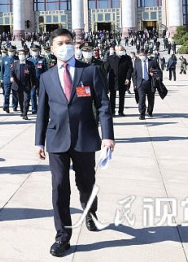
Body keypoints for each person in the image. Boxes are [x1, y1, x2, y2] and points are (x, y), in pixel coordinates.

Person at [35, 28, 114, 257]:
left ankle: (90, 210)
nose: (64, 46)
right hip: (57, 138)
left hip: (85, 136)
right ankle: (62, 236)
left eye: (68, 42)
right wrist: (38, 142)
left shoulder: (90, 71)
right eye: (59, 43)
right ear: (51, 48)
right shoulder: (46, 77)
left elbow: (103, 105)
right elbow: (42, 112)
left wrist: (108, 135)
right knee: (59, 186)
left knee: (86, 182)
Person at [132, 49, 162, 120]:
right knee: (141, 99)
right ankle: (142, 114)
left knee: (151, 99)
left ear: (146, 55)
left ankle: (150, 112)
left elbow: (159, 71)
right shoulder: (137, 62)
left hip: (150, 83)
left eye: (142, 55)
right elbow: (134, 74)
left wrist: (154, 74)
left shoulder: (152, 62)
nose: (141, 57)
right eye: (140, 55)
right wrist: (134, 84)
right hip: (141, 83)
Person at [104, 45, 133, 116]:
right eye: (120, 50)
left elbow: (130, 69)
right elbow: (106, 69)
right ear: (116, 51)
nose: (122, 52)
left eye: (122, 50)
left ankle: (121, 111)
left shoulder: (127, 58)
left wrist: (128, 78)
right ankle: (112, 111)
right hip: (113, 80)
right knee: (112, 96)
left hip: (123, 79)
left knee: (122, 96)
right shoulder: (110, 58)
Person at [11, 48, 38, 120]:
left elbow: (33, 74)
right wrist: (12, 77)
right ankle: (22, 111)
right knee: (21, 99)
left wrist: (34, 83)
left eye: (23, 54)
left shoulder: (30, 64)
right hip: (18, 85)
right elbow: (12, 72)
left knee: (26, 99)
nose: (21, 56)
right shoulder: (15, 63)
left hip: (26, 84)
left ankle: (25, 113)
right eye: (20, 54)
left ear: (25, 55)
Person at [28, 46, 48, 115]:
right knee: (32, 94)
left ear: (38, 51)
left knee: (40, 95)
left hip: (40, 80)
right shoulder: (29, 60)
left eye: (36, 50)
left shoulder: (43, 60)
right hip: (32, 80)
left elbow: (45, 70)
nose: (35, 52)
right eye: (33, 51)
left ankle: (41, 108)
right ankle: (34, 109)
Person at [0, 46, 16, 112]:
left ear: (14, 51)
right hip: (6, 78)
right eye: (9, 51)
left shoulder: (16, 59)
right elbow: (2, 69)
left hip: (15, 79)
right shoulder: (4, 59)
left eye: (12, 51)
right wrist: (1, 78)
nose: (10, 52)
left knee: (15, 94)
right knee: (6, 93)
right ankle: (6, 106)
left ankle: (14, 106)